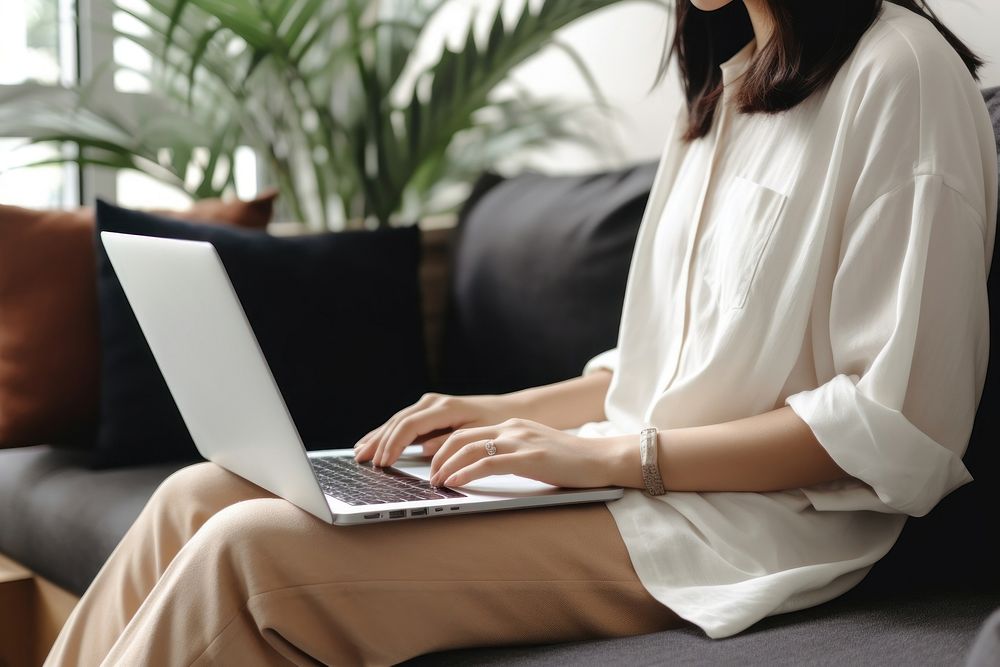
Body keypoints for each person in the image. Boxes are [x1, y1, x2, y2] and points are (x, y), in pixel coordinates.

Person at [47, 0, 997, 664]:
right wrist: (492, 411)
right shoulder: (725, 88)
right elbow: (664, 362)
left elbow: (893, 423)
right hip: (637, 478)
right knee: (197, 495)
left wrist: (625, 458)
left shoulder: (901, 74)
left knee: (246, 552)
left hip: (743, 529)